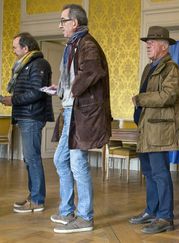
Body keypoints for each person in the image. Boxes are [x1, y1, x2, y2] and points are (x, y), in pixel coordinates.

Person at [49, 4, 112, 234]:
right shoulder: (74, 44)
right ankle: (67, 211)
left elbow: (93, 71)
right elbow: (78, 76)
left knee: (77, 163)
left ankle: (85, 217)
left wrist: (72, 90)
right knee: (60, 159)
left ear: (74, 23)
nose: (60, 25)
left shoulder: (86, 43)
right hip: (71, 112)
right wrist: (62, 88)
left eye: (63, 21)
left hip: (83, 114)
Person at [128, 26, 179, 234]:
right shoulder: (149, 67)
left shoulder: (172, 69)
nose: (147, 45)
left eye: (151, 42)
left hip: (160, 130)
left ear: (164, 46)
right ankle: (151, 211)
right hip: (147, 128)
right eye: (147, 42)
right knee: (149, 172)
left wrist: (139, 99)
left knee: (160, 173)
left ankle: (165, 217)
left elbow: (168, 96)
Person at [0, 32, 54, 213]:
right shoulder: (25, 65)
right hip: (26, 117)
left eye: (15, 47)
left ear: (26, 48)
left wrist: (12, 100)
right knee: (29, 159)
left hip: (32, 117)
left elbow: (37, 93)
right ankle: (33, 196)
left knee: (33, 159)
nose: (13, 51)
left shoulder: (39, 64)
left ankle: (38, 200)